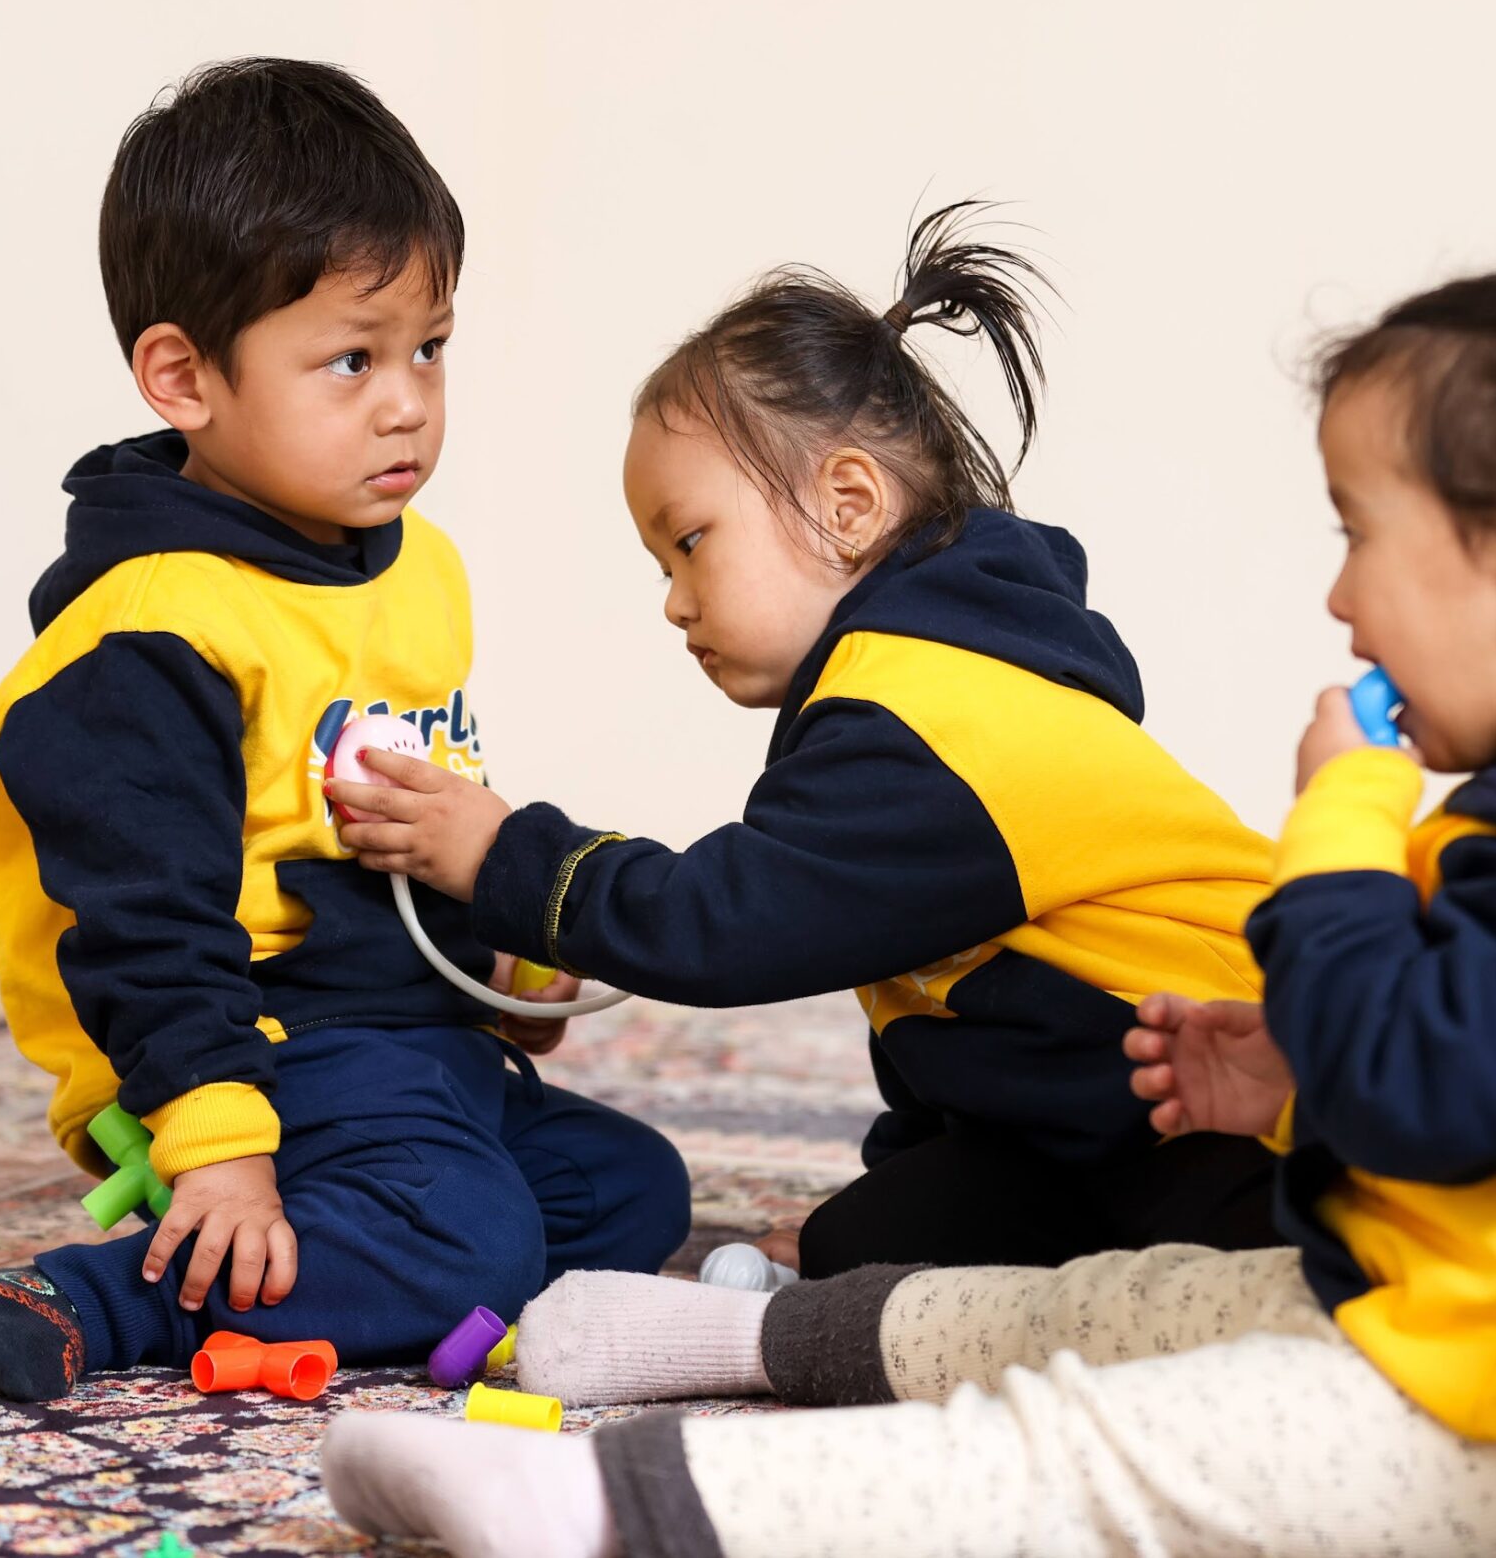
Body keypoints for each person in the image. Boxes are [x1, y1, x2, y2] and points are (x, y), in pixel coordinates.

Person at [317, 216, 1496, 1558]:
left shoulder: (937, 711)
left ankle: (616, 1506)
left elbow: (725, 919)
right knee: (1091, 1294)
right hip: (1359, 1202)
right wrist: (1294, 1066)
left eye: (1361, 537)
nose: (1337, 593)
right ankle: (732, 1340)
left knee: (1103, 1447)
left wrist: (1345, 828)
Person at [331, 204, 1281, 1281]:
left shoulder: (942, 717)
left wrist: (506, 858)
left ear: (847, 504)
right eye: (661, 567)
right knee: (858, 1249)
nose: (675, 604)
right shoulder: (898, 693)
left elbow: (723, 925)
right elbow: (936, 1022)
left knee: (1169, 1275)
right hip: (1091, 1119)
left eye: (690, 544)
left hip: (1249, 1113)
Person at [0, 59, 688, 1401]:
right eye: (350, 358)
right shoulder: (150, 631)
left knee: (630, 1195)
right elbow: (142, 922)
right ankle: (105, 1296)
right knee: (474, 1245)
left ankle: (382, 1232)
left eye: (429, 347)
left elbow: (416, 799)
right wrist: (221, 1143)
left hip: (402, 1028)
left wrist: (499, 961)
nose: (406, 398)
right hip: (253, 1032)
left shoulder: (420, 564)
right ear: (183, 376)